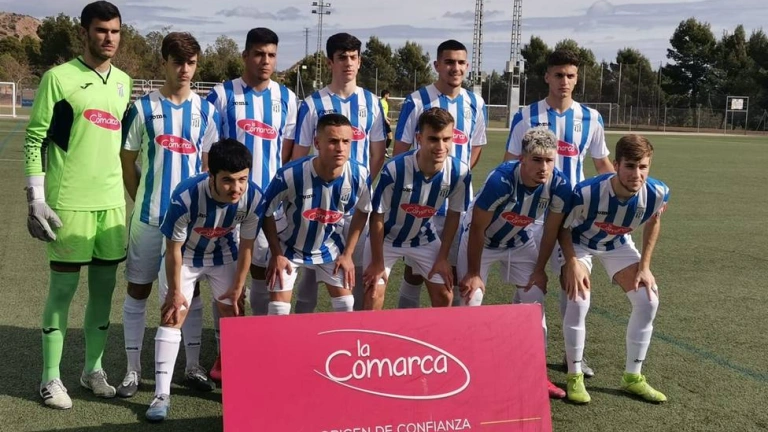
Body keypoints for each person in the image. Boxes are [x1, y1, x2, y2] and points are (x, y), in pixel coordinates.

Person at [24, 1, 131, 409]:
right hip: (69, 203)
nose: (109, 38)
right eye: (101, 30)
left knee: (104, 292)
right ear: (84, 32)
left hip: (111, 204)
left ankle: (92, 370)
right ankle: (50, 378)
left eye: (115, 31)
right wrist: (36, 199)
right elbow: (35, 139)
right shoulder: (59, 78)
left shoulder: (123, 82)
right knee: (63, 291)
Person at [116, 31, 219, 399]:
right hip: (148, 219)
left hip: (188, 226)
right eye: (178, 62)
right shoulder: (143, 109)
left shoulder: (206, 111)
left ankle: (191, 367)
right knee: (138, 289)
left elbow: (207, 169)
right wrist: (142, 199)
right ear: (164, 63)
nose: (185, 69)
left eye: (191, 63)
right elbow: (127, 161)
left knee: (188, 293)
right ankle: (132, 369)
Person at [504, 48, 615, 377]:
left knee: (573, 285)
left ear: (576, 79)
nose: (564, 81)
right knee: (531, 287)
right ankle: (526, 356)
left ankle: (572, 358)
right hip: (532, 215)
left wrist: (631, 192)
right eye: (558, 75)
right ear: (547, 77)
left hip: (573, 217)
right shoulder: (526, 116)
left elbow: (602, 165)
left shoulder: (591, 118)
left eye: (570, 75)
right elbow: (510, 163)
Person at [145, 139, 262, 422]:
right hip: (185, 257)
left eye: (242, 179)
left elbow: (247, 246)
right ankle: (161, 394)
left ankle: (235, 385)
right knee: (173, 315)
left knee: (233, 312)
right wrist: (175, 291)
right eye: (228, 180)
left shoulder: (253, 198)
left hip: (223, 254)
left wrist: (238, 287)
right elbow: (173, 249)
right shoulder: (185, 197)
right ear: (212, 175)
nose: (236, 188)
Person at [205, 27, 297, 380]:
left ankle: (258, 345)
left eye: (271, 55)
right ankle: (225, 352)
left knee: (262, 273)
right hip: (228, 205)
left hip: (268, 204)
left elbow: (288, 154)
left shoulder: (287, 98)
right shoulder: (222, 94)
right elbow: (208, 151)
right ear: (245, 55)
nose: (265, 61)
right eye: (258, 53)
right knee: (229, 281)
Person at [457, 127, 572, 399]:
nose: (544, 167)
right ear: (522, 158)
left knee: (534, 300)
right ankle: (464, 371)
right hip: (482, 241)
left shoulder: (559, 185)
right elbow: (477, 228)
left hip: (519, 241)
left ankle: (536, 374)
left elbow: (551, 230)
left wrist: (539, 269)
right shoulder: (501, 181)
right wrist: (473, 272)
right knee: (471, 299)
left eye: (549, 160)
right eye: (537, 160)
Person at [558, 134, 669, 404]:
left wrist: (645, 266)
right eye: (630, 166)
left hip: (617, 243)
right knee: (579, 299)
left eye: (643, 167)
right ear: (616, 165)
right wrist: (571, 263)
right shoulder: (586, 192)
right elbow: (562, 228)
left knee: (649, 299)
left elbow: (654, 223)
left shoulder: (657, 192)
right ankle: (574, 376)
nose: (636, 174)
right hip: (579, 243)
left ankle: (633, 377)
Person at [291, 32, 386, 313]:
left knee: (355, 270)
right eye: (342, 57)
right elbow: (299, 156)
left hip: (355, 206)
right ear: (330, 62)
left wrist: (359, 189)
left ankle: (353, 332)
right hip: (318, 203)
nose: (348, 63)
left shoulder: (372, 103)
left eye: (353, 57)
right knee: (309, 276)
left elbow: (378, 154)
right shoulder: (312, 104)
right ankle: (302, 332)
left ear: (360, 61)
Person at [393, 39, 487, 308]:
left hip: (457, 203)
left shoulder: (476, 103)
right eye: (449, 62)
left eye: (460, 62)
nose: (455, 68)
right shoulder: (417, 100)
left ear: (467, 66)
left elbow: (476, 147)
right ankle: (406, 326)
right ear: (437, 65)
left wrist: (454, 178)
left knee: (452, 272)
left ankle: (449, 331)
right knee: (413, 271)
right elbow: (401, 151)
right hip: (419, 202)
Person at [261, 113, 371, 315]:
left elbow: (363, 211)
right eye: (333, 141)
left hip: (329, 248)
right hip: (288, 248)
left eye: (346, 141)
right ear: (317, 143)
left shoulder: (360, 175)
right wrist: (276, 253)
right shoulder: (291, 174)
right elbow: (265, 211)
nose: (340, 148)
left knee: (346, 305)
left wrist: (347, 254)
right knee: (278, 310)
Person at [363, 107, 470, 309]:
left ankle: (430, 331)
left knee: (445, 295)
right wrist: (377, 262)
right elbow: (377, 216)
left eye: (446, 139)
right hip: (386, 238)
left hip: (423, 237)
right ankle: (370, 331)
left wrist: (442, 257)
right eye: (433, 139)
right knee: (373, 293)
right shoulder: (395, 169)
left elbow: (454, 215)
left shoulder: (459, 172)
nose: (441, 146)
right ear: (419, 138)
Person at [380, 89, 392, 153]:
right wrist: (386, 120)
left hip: (384, 120)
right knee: (390, 136)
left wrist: (388, 118)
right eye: (388, 94)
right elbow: (382, 113)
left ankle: (384, 150)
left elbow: (384, 113)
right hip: (383, 121)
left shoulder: (384, 102)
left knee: (386, 136)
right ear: (385, 95)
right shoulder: (382, 102)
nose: (389, 96)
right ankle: (385, 150)